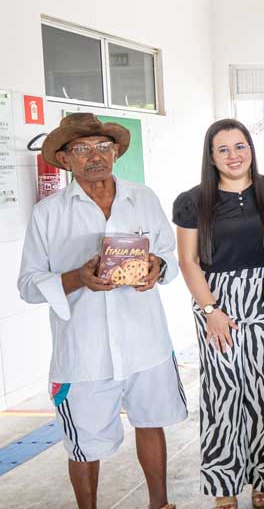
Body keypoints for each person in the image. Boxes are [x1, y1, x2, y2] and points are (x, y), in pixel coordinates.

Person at [17, 113, 185, 509]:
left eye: (103, 147)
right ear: (65, 160)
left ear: (115, 152)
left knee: (150, 421)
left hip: (145, 341)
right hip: (84, 349)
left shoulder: (142, 197)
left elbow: (168, 256)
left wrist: (156, 267)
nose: (96, 156)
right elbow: (28, 285)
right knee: (83, 444)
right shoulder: (49, 214)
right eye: (82, 149)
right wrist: (78, 277)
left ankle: (160, 504)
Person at [173, 119, 264, 509]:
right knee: (223, 394)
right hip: (217, 302)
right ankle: (224, 483)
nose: (233, 156)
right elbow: (188, 261)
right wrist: (210, 310)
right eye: (223, 149)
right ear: (211, 156)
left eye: (240, 146)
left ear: (251, 149)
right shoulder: (193, 201)